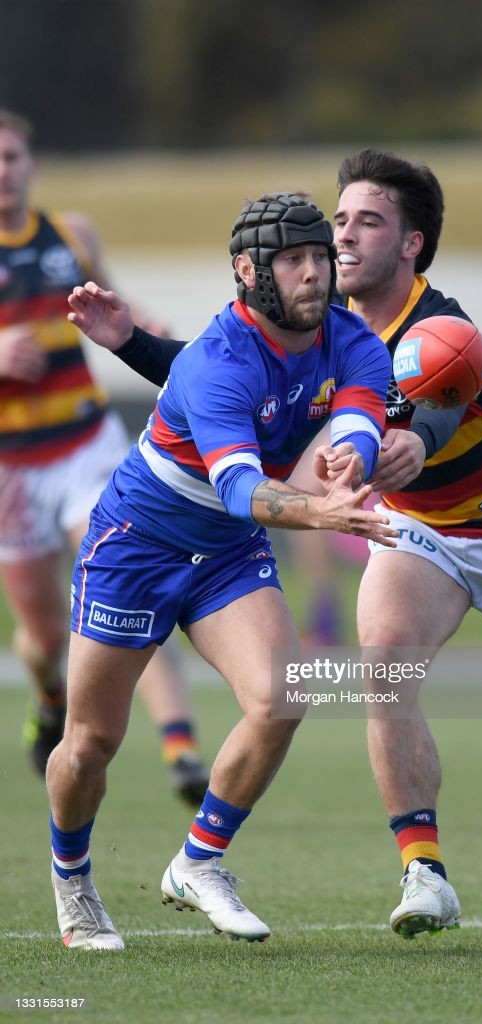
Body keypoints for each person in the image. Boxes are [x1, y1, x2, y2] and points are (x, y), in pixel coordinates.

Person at [77, 151, 482, 947]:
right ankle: (424, 870)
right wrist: (131, 342)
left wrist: (413, 441)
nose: (340, 237)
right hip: (413, 528)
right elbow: (220, 375)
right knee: (383, 669)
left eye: (366, 222)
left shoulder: (442, 329)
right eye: (337, 220)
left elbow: (438, 407)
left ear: (412, 244)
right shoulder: (315, 316)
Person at [49, 190, 395, 950]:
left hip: (223, 556)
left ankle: (199, 862)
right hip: (135, 545)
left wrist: (350, 463)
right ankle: (72, 878)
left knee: (281, 697)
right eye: (293, 260)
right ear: (248, 270)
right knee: (89, 744)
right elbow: (241, 489)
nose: (313, 273)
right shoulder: (217, 358)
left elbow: (365, 417)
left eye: (319, 258)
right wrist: (321, 511)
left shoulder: (353, 339)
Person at [0, 109, 210, 806]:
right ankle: (50, 693)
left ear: (30, 164)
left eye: (12, 157)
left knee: (131, 578)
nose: (4, 171)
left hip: (89, 448)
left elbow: (108, 296)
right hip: (13, 473)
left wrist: (144, 326)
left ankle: (181, 748)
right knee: (41, 633)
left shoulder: (71, 234)